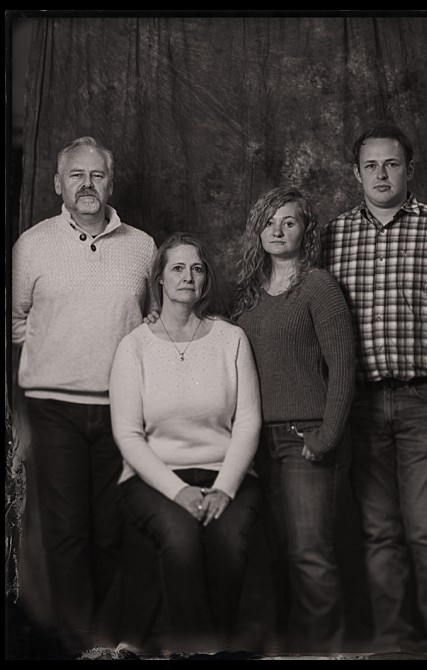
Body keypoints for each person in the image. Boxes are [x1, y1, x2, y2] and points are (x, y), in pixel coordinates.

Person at [322, 123, 427, 655]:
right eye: (372, 165)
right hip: (359, 404)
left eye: (393, 164)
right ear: (356, 173)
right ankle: (395, 644)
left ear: (410, 169)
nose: (382, 174)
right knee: (379, 533)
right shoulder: (333, 236)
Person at [11, 136, 156, 647]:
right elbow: (17, 320)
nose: (88, 185)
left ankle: (110, 641)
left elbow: (152, 322)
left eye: (97, 175)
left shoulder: (142, 246)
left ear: (110, 183)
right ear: (58, 184)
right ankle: (81, 645)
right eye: (77, 175)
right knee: (67, 530)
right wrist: (55, 348)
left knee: (112, 529)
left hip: (121, 408)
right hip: (54, 408)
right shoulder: (31, 244)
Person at [109, 232, 261, 653]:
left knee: (229, 542)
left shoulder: (231, 339)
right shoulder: (134, 347)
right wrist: (179, 492)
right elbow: (127, 434)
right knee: (181, 537)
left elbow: (248, 421)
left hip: (224, 473)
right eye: (177, 268)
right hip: (151, 477)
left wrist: (224, 490)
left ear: (206, 279)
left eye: (197, 268)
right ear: (159, 278)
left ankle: (210, 643)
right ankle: (201, 650)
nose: (188, 277)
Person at [232, 187, 355, 653]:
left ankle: (327, 650)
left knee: (310, 554)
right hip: (256, 441)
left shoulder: (319, 286)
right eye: (269, 222)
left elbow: (343, 366)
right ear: (258, 232)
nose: (278, 231)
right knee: (275, 554)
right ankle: (287, 648)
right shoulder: (248, 297)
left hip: (306, 436)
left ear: (306, 230)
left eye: (289, 222)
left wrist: (326, 436)